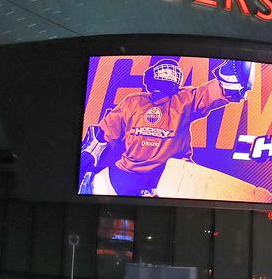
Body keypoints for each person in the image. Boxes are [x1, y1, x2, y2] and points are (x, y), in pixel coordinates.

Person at [79, 57, 253, 196]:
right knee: (94, 188)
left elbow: (218, 90)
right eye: (164, 71)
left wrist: (237, 70)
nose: (169, 75)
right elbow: (102, 135)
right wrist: (87, 157)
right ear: (150, 76)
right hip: (126, 174)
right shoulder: (132, 102)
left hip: (173, 175)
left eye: (172, 72)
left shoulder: (186, 99)